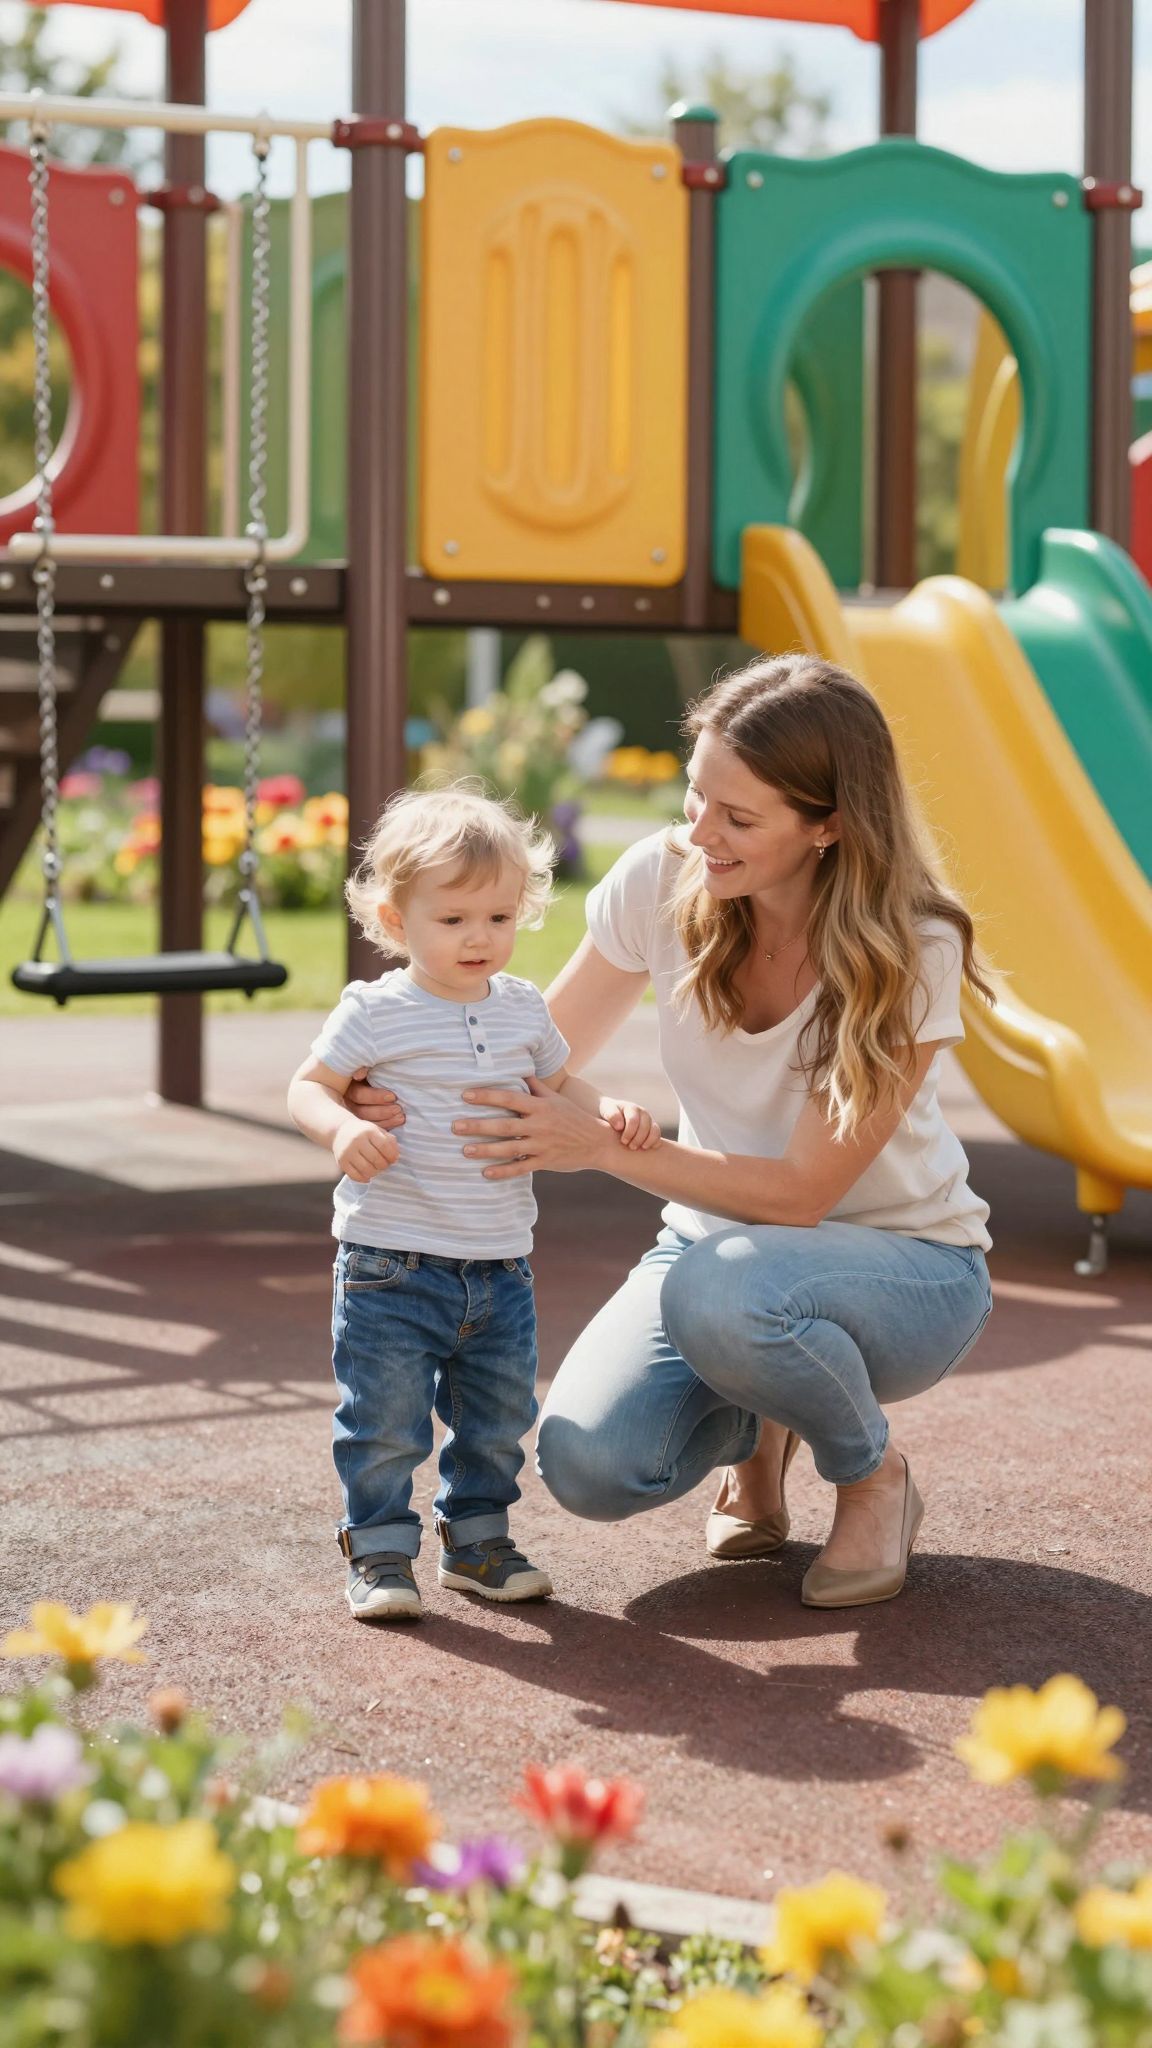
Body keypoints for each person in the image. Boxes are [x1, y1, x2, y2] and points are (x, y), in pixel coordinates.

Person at [346, 657, 995, 1610]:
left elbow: (804, 1193)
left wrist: (609, 1144)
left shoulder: (917, 944)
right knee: (587, 1464)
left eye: (739, 818)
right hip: (716, 1255)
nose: (700, 833)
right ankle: (764, 1430)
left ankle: (872, 1477)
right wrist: (380, 1083)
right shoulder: (662, 878)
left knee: (725, 1292)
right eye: (697, 796)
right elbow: (521, 1057)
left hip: (907, 1268)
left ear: (829, 825)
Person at [287, 786, 661, 1623]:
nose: (478, 938)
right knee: (384, 1423)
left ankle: (478, 1543)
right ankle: (380, 1551)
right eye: (453, 920)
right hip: (392, 1263)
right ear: (395, 917)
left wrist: (607, 1111)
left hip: (498, 1270)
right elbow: (307, 1087)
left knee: (497, 1421)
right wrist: (341, 1128)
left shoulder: (525, 1009)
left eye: (497, 917)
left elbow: (560, 1084)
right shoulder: (376, 1010)